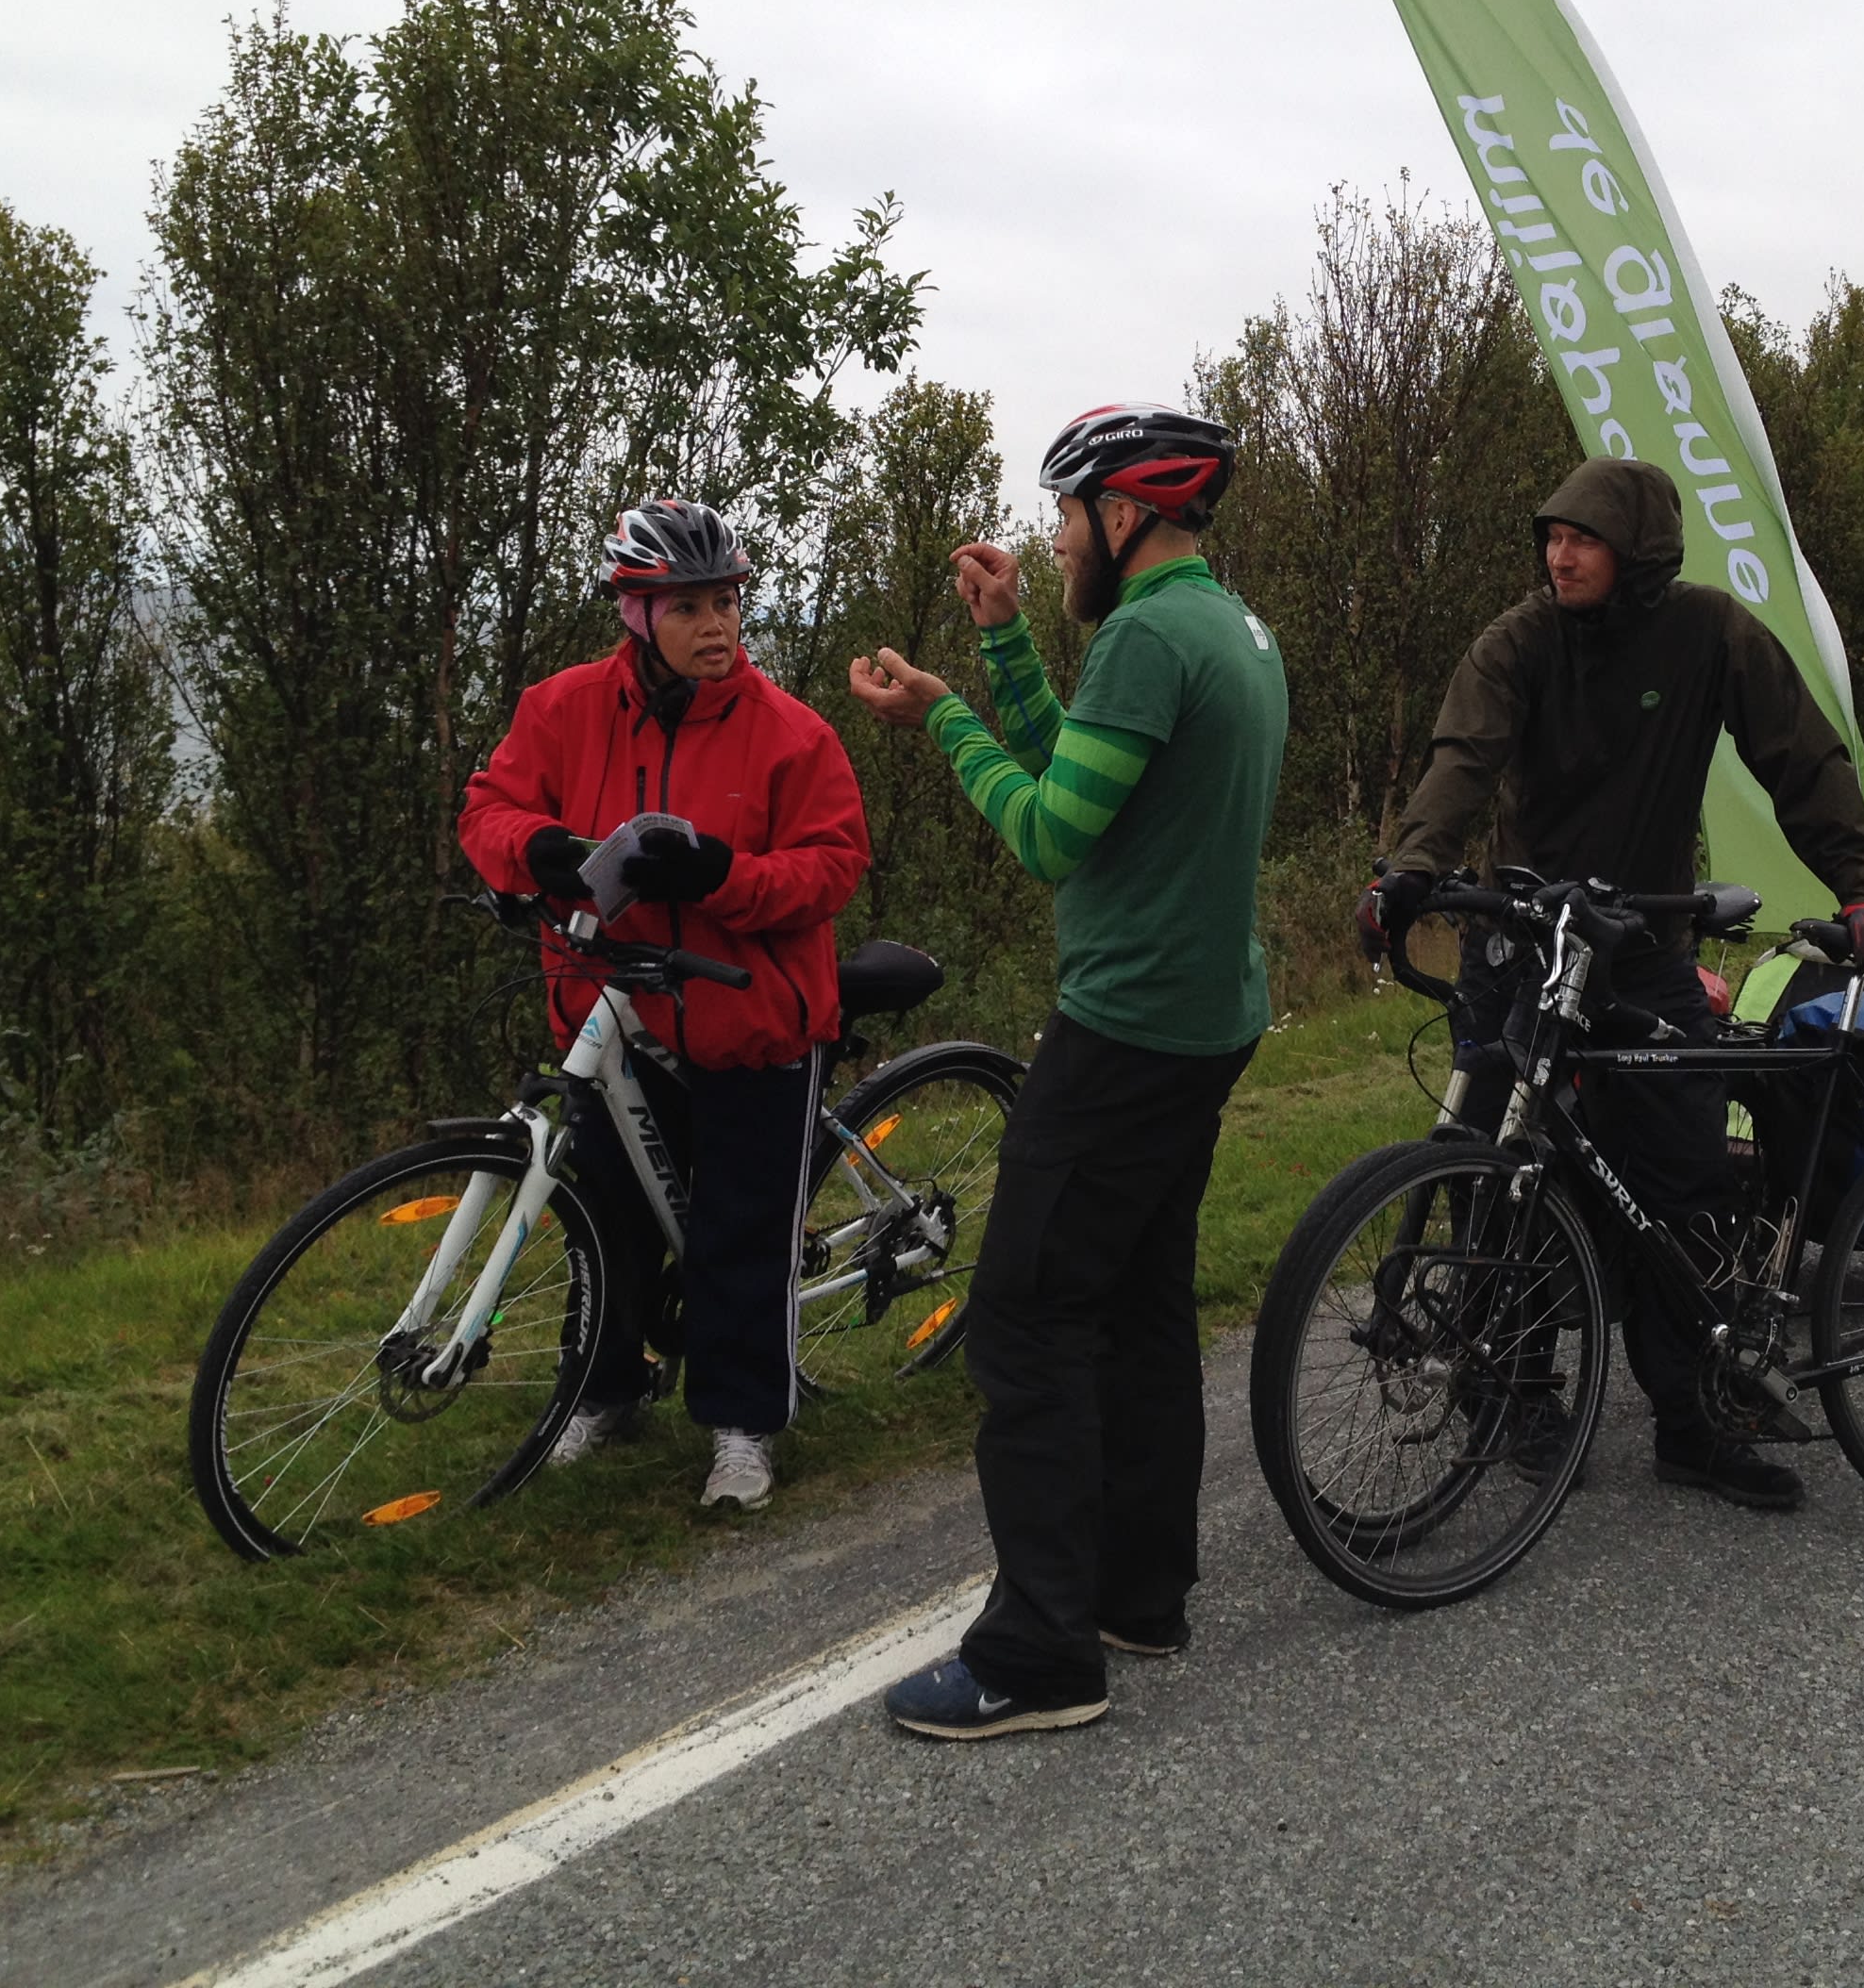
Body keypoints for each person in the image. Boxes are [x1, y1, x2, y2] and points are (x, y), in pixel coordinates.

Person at [847, 404, 1286, 1740]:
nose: (1054, 541)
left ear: (1125, 512)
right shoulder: (1226, 627)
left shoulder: (1149, 638)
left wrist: (943, 721)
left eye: (1065, 515)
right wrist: (1000, 647)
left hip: (1127, 1029)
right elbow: (1089, 783)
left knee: (1027, 1320)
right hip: (1205, 1019)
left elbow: (1047, 834)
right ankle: (1139, 1596)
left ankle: (1040, 1654)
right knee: (1139, 1303)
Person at [1370, 456, 1864, 1511]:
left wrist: (1862, 888)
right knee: (1501, 1176)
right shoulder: (1519, 641)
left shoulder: (1709, 633)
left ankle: (1691, 1421)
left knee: (1682, 1185)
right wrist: (1412, 870)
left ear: (1640, 552)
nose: (1559, 555)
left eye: (1583, 538)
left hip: (1646, 948)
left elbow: (1801, 758)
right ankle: (1516, 1392)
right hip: (1526, 943)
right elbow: (1461, 760)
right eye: (1552, 536)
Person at [457, 498, 869, 1511]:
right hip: (615, 1015)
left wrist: (721, 876)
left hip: (750, 1018)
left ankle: (742, 1427)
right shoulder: (562, 709)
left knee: (740, 1230)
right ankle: (603, 1392)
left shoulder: (793, 734)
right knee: (606, 1220)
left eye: (726, 601)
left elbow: (832, 867)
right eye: (687, 607)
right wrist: (535, 850)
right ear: (635, 615)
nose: (715, 625)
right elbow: (489, 808)